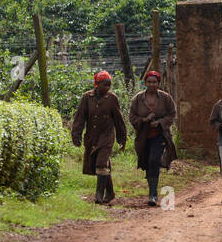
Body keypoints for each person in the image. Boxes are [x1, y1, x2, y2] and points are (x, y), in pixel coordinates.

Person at [72, 70, 129, 205]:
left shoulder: (112, 99)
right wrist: (76, 135)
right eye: (105, 85)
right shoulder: (87, 98)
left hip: (107, 136)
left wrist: (122, 139)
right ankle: (110, 193)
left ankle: (99, 194)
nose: (107, 88)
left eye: (109, 85)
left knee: (101, 163)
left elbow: (119, 121)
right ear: (96, 84)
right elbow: (80, 118)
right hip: (92, 137)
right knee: (102, 165)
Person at [128, 70, 177, 207]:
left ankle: (153, 194)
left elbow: (172, 114)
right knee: (146, 162)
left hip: (160, 135)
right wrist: (144, 120)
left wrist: (160, 122)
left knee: (154, 160)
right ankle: (151, 189)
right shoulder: (138, 98)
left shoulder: (166, 98)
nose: (151, 84)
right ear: (145, 83)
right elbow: (132, 116)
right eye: (149, 82)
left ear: (158, 83)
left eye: (154, 82)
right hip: (143, 136)